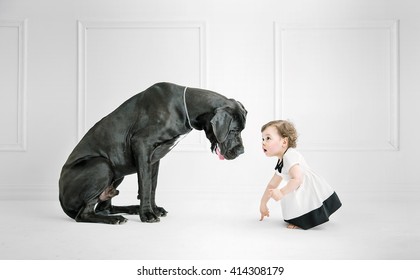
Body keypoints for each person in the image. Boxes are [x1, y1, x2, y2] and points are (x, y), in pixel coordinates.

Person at [259, 120, 342, 229]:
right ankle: (299, 219)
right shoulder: (282, 160)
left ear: (284, 142)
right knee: (293, 200)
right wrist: (263, 203)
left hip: (306, 187)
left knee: (304, 202)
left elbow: (297, 179)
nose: (263, 142)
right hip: (298, 186)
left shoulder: (290, 156)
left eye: (268, 138)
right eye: (263, 139)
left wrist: (281, 192)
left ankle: (304, 220)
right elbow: (272, 185)